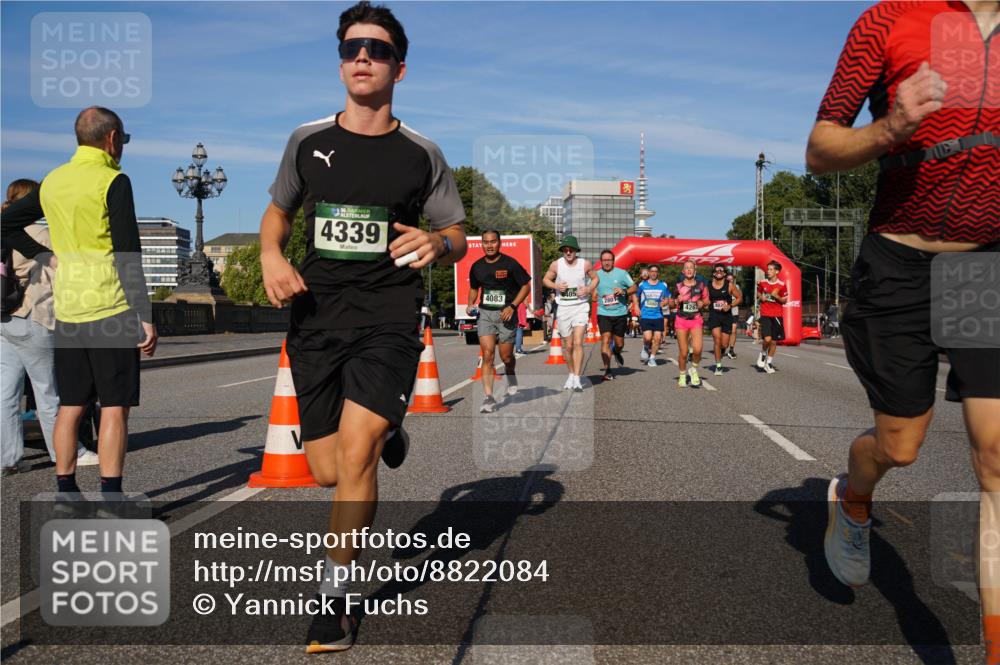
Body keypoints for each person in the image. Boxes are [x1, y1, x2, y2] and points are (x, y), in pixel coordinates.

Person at [258, 1, 467, 652]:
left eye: (376, 48)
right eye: (351, 47)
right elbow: (276, 213)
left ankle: (337, 597)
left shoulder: (420, 153)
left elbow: (457, 232)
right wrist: (270, 254)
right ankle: (384, 425)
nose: (362, 57)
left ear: (398, 68)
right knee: (324, 468)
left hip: (389, 317)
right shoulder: (307, 141)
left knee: (355, 452)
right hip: (317, 317)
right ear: (341, 60)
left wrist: (441, 243)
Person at [807, 5, 1000, 656]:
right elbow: (821, 149)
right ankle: (853, 496)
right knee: (900, 445)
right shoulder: (891, 20)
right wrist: (890, 126)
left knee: (996, 456)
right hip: (900, 261)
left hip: (986, 266)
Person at [1, 108, 157, 500]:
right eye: (123, 140)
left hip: (67, 310)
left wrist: (45, 256)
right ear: (112, 138)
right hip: (111, 307)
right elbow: (126, 252)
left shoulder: (54, 181)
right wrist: (145, 315)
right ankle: (111, 496)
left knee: (70, 404)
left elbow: (5, 223)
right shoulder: (113, 180)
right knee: (114, 407)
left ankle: (66, 494)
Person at [1, 180, 99, 475]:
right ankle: (67, 452)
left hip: (4, 318)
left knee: (6, 393)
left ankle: (7, 457)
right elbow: (62, 277)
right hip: (34, 317)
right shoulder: (40, 233)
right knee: (49, 392)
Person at [466, 229, 530, 412]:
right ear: (481, 244)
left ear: (499, 243)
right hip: (485, 313)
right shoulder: (477, 266)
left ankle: (511, 373)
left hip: (506, 314)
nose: (489, 245)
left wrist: (513, 306)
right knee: (487, 354)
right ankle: (489, 397)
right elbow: (473, 288)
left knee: (506, 357)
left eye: (493, 241)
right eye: (485, 242)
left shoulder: (510, 264)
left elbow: (525, 285)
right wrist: (470, 302)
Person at [542, 235, 596, 391]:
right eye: (565, 249)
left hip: (580, 307)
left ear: (575, 250)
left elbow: (595, 279)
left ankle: (578, 378)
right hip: (564, 308)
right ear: (562, 251)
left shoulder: (584, 264)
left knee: (578, 342)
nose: (568, 252)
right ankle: (571, 374)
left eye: (571, 249)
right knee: (568, 346)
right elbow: (545, 280)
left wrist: (588, 289)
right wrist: (556, 286)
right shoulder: (556, 265)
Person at [594, 249, 635, 381]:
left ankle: (617, 351)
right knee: (605, 339)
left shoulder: (622, 273)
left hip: (620, 313)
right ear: (601, 261)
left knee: (619, 343)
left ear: (613, 261)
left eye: (609, 260)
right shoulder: (596, 275)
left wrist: (624, 291)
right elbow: (590, 289)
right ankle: (607, 370)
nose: (607, 262)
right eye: (604, 260)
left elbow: (634, 287)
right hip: (603, 313)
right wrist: (590, 293)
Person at [670, 260, 709, 387]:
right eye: (686, 268)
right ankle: (682, 375)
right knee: (684, 352)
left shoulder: (701, 285)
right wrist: (676, 300)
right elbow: (670, 303)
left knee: (697, 349)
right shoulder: (678, 286)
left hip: (696, 319)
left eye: (691, 268)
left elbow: (707, 300)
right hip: (681, 320)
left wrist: (702, 303)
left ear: (695, 271)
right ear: (683, 271)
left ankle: (693, 368)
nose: (688, 270)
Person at [707, 264, 742, 376]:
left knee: (724, 344)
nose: (719, 271)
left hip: (726, 316)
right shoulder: (708, 286)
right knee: (717, 339)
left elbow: (739, 298)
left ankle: (722, 351)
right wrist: (703, 303)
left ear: (724, 273)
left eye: (721, 270)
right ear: (713, 273)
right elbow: (705, 299)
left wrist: (730, 305)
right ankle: (718, 366)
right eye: (717, 270)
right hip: (714, 316)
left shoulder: (730, 285)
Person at [633, 264, 669, 368]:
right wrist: (636, 306)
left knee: (657, 338)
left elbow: (667, 298)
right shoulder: (642, 285)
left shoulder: (663, 285)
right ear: (648, 273)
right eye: (651, 271)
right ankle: (645, 346)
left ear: (658, 273)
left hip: (658, 315)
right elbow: (636, 295)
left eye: (655, 271)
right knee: (648, 338)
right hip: (645, 315)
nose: (653, 273)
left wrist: (665, 303)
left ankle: (652, 358)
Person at [755, 261, 787, 374]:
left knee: (773, 342)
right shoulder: (762, 283)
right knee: (767, 339)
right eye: (767, 269)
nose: (768, 271)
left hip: (777, 315)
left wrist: (776, 296)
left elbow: (785, 300)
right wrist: (761, 297)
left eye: (771, 269)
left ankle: (768, 362)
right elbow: (758, 293)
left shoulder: (782, 285)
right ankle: (763, 354)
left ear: (777, 271)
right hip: (765, 314)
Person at [726, 274, 741, 359]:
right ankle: (722, 347)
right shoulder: (721, 287)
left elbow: (740, 298)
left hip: (734, 311)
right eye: (728, 279)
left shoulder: (737, 287)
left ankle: (731, 350)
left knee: (733, 330)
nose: (730, 281)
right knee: (724, 332)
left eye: (731, 279)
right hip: (723, 312)